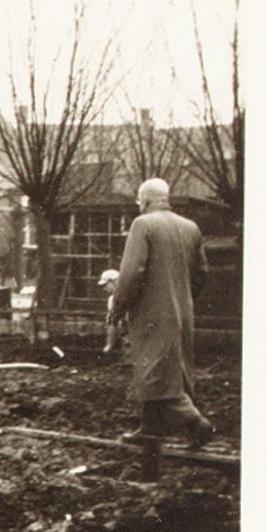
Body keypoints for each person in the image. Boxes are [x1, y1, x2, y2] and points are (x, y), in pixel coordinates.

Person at [109, 178, 212, 448]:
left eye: (138, 200)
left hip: (152, 314)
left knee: (155, 370)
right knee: (168, 369)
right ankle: (151, 428)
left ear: (144, 200)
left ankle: (196, 424)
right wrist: (183, 298)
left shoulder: (143, 224)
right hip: (182, 311)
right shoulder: (190, 227)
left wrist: (118, 308)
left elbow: (131, 273)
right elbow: (202, 273)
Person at [98, 267, 123, 353]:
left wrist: (109, 344)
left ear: (113, 282)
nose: (104, 289)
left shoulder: (114, 300)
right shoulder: (112, 299)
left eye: (105, 285)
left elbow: (112, 322)